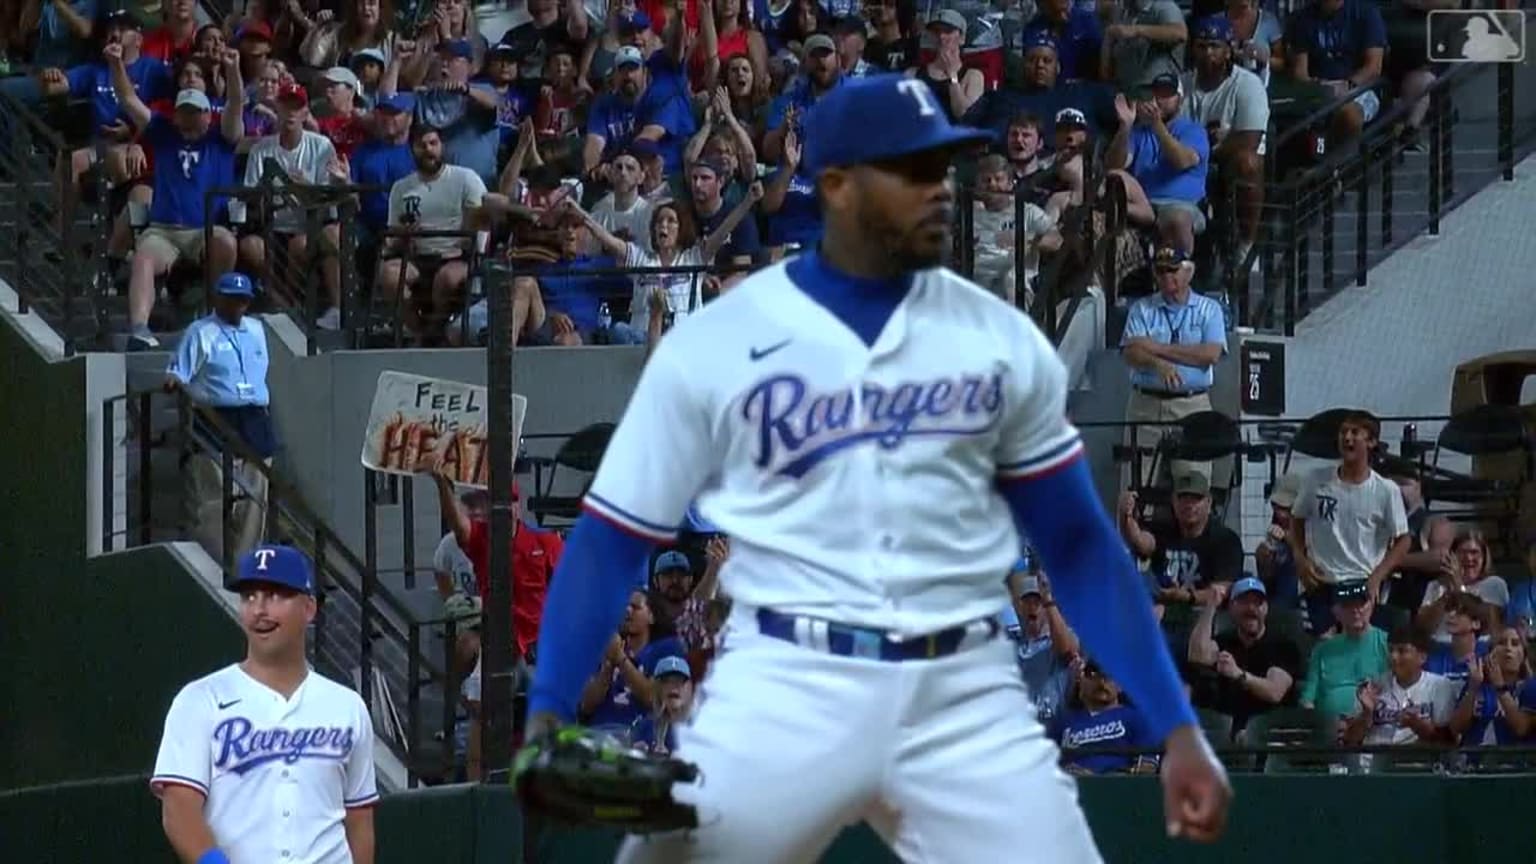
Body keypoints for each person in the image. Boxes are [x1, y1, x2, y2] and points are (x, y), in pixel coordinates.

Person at [522, 74, 1230, 862]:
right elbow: (611, 536)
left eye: (941, 170)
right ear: (837, 188)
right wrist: (548, 709)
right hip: (788, 680)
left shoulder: (999, 342)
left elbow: (1081, 549)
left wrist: (1175, 721)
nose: (937, 191)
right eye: (910, 172)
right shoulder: (720, 342)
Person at [150, 545, 378, 864]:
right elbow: (179, 809)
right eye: (249, 596)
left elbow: (359, 820)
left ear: (309, 608)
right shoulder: (201, 699)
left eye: (275, 595)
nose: (259, 610)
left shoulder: (347, 706)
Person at [164, 272, 276, 563]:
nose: (238, 306)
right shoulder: (200, 331)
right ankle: (213, 563)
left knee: (255, 497)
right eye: (231, 299)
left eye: (243, 300)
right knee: (212, 493)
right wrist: (174, 379)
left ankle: (246, 565)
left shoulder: (256, 329)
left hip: (254, 415)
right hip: (215, 414)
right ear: (218, 299)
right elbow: (179, 370)